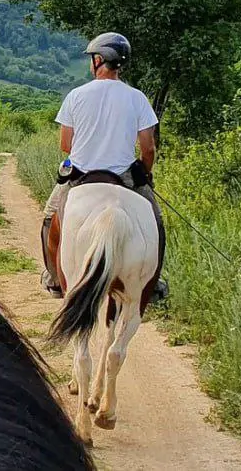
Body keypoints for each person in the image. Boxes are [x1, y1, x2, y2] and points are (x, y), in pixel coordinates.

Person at [40, 32, 168, 300]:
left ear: (99, 59)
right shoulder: (137, 98)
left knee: (50, 218)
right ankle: (154, 282)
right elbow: (148, 148)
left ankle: (54, 278)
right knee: (156, 221)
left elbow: (65, 144)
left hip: (80, 177)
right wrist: (145, 172)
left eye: (92, 57)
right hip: (124, 177)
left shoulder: (76, 95)